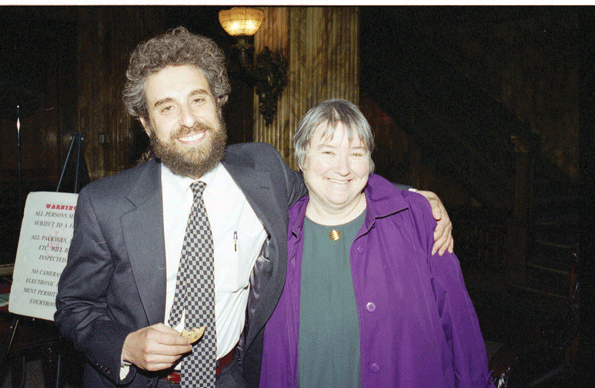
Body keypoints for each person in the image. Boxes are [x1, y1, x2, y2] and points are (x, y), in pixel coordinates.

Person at [54, 28, 453, 388]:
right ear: (146, 123)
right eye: (167, 108)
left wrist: (414, 198)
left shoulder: (264, 170)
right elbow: (73, 306)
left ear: (219, 102)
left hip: (230, 375)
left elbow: (333, 183)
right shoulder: (103, 204)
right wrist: (125, 345)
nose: (189, 120)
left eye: (198, 99)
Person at [260, 99, 492, 388]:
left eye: (356, 153)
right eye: (328, 151)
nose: (343, 168)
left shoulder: (417, 219)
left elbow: (460, 326)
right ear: (302, 159)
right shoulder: (271, 234)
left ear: (369, 162)